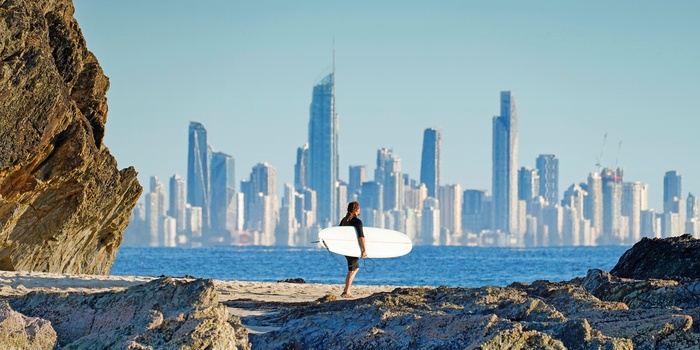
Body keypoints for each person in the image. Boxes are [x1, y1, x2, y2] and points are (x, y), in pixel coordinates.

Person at [339, 201, 367, 298]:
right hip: (352, 248)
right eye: (359, 209)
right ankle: (346, 291)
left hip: (345, 248)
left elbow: (339, 233)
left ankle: (346, 290)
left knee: (354, 268)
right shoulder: (357, 222)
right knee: (352, 269)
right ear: (356, 210)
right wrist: (364, 250)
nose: (360, 210)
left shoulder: (344, 220)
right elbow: (361, 237)